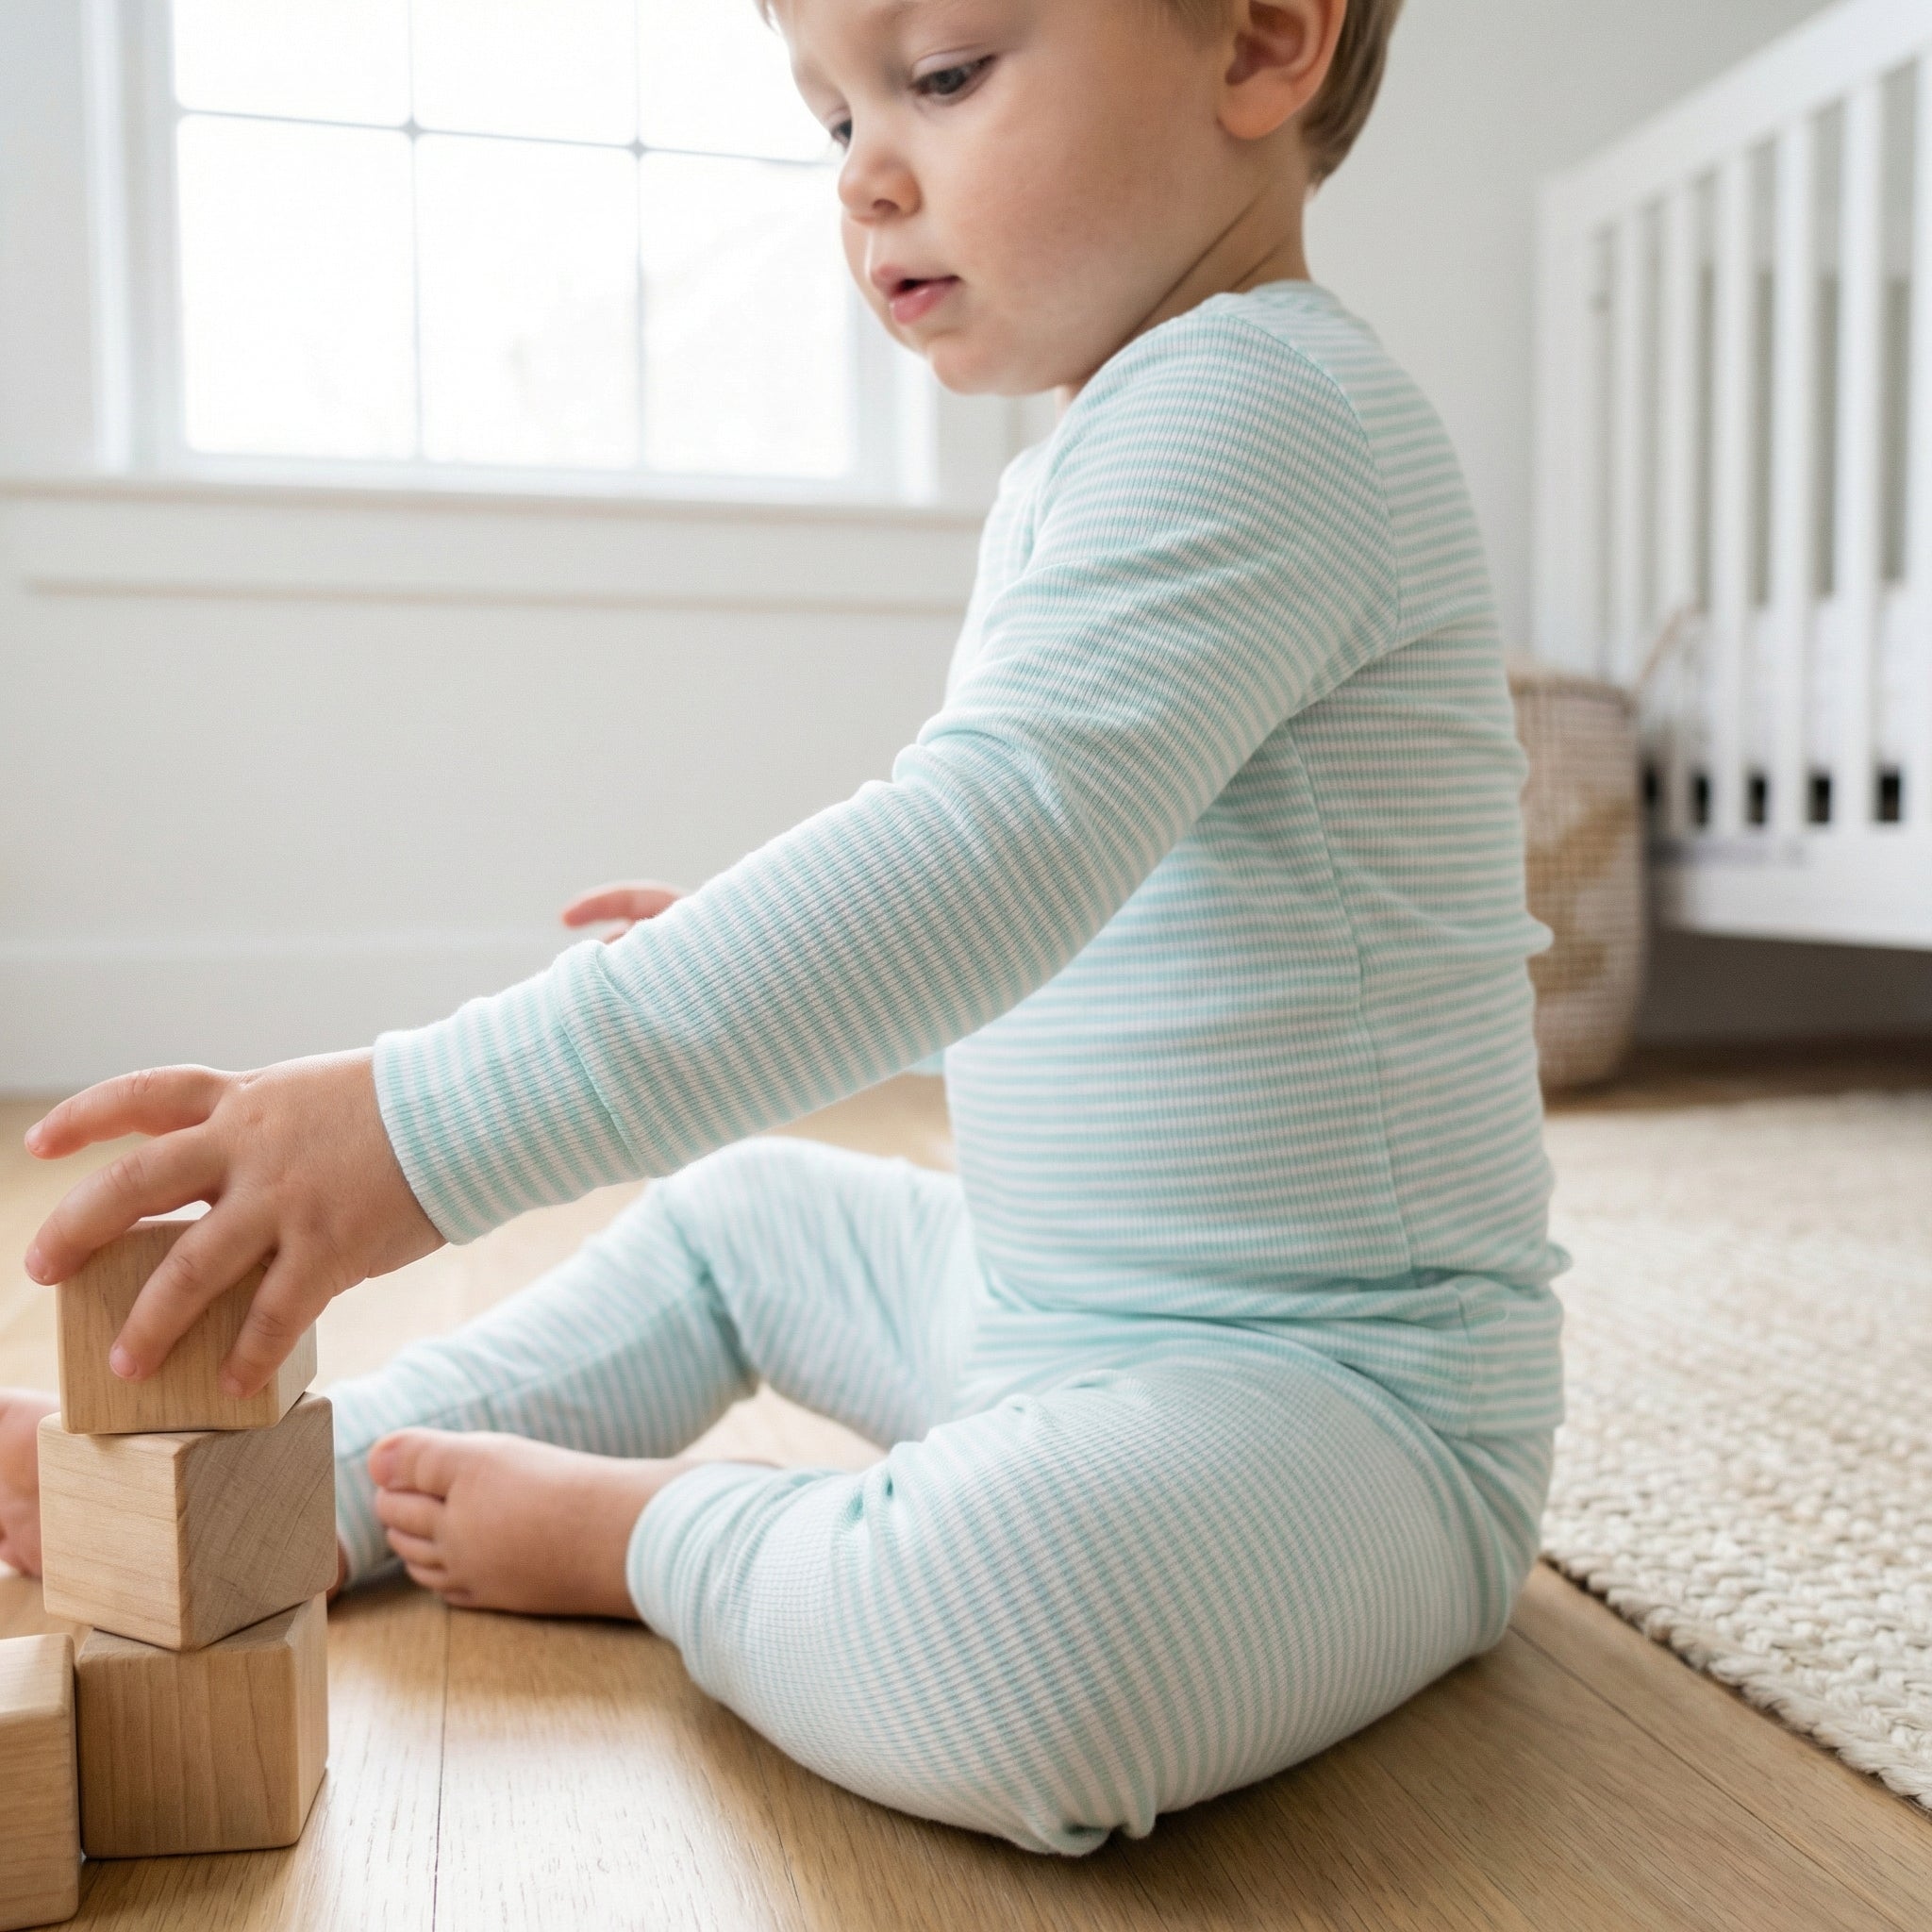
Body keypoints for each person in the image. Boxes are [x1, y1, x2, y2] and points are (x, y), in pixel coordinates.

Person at [2, 0, 1566, 1856]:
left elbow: (981, 862)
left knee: (1030, 1646)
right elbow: (1095, 908)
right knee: (739, 1219)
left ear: (1258, 42)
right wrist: (754, 946)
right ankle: (323, 1480)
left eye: (944, 77)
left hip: (1348, 1408)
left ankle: (668, 1538)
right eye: (832, 119)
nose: (865, 179)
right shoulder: (1109, 446)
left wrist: (413, 1132)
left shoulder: (1266, 408)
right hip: (1037, 1310)